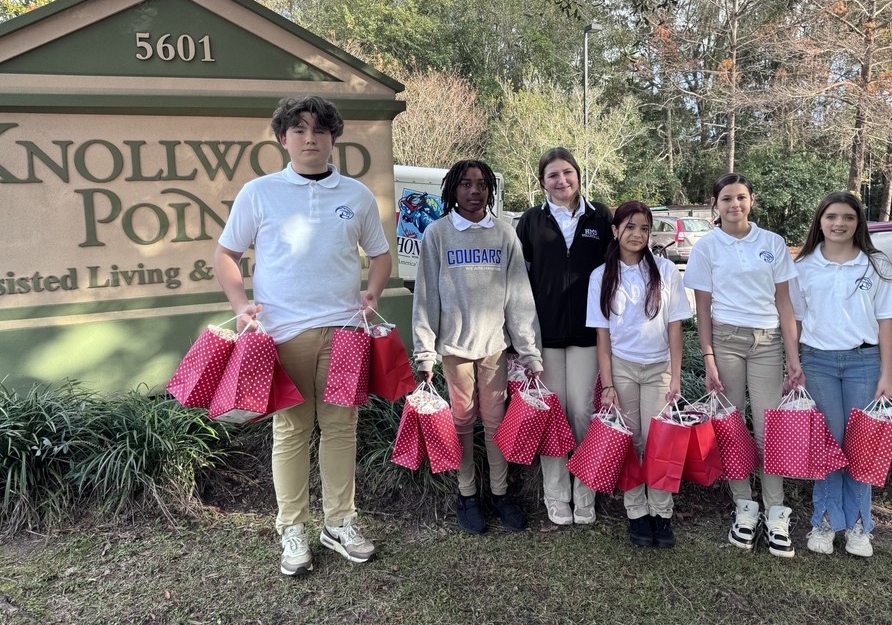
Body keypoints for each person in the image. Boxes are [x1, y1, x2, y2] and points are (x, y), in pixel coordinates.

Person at [214, 95, 392, 577]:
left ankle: (340, 523)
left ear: (334, 138)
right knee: (291, 431)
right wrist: (240, 306)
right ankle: (292, 529)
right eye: (298, 130)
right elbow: (226, 254)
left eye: (319, 130)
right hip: (282, 334)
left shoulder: (355, 195)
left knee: (340, 429)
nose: (309, 138)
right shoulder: (259, 192)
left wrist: (372, 294)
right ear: (282, 138)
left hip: (344, 332)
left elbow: (380, 255)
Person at [412, 159, 543, 535]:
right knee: (462, 423)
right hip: (454, 349)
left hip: (493, 349)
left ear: (491, 190)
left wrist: (529, 349)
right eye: (466, 184)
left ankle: (500, 494)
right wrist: (425, 352)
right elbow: (426, 298)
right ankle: (467, 494)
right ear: (453, 189)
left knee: (496, 422)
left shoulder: (503, 234)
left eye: (482, 184)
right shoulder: (437, 234)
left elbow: (519, 296)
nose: (474, 191)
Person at [683, 173, 802, 558]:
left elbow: (785, 304)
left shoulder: (772, 243)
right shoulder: (707, 247)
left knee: (771, 430)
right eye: (726, 199)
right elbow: (702, 309)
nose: (734, 205)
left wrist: (792, 358)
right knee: (731, 428)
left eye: (741, 197)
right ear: (715, 204)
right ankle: (744, 508)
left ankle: (775, 511)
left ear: (752, 200)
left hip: (767, 343)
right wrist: (709, 358)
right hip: (725, 342)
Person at [790, 192, 892, 558]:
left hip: (864, 363)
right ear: (819, 221)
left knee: (861, 447)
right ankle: (823, 521)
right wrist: (796, 364)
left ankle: (858, 526)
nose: (839, 223)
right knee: (828, 446)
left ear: (859, 222)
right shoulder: (803, 265)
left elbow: (886, 322)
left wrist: (886, 373)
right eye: (831, 216)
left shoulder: (876, 264)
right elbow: (797, 321)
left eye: (848, 217)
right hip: (818, 363)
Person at [586, 201, 692, 547]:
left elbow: (675, 328)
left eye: (644, 228)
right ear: (615, 231)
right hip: (623, 369)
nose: (637, 234)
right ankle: (636, 512)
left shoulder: (665, 271)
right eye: (629, 227)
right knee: (630, 442)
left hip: (658, 368)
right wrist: (608, 384)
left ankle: (661, 513)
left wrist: (675, 377)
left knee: (660, 442)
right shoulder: (601, 276)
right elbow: (602, 336)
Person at [515, 147, 611, 526]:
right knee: (551, 416)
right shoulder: (530, 222)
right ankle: (556, 494)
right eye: (553, 175)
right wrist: (521, 340)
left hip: (589, 335)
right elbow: (518, 283)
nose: (562, 181)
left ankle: (585, 491)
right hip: (546, 336)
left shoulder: (601, 216)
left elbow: (617, 269)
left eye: (568, 173)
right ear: (543, 182)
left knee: (583, 412)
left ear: (578, 176)